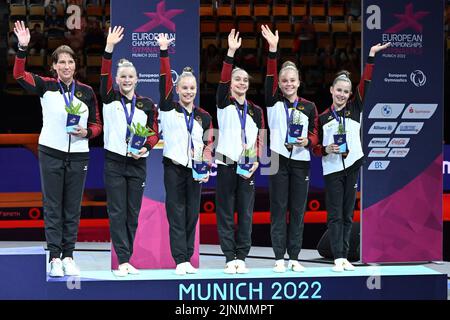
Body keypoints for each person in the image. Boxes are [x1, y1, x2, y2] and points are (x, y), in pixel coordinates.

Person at [13, 20, 102, 277]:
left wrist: (88, 132)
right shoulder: (45, 86)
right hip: (51, 152)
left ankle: (69, 255)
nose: (66, 66)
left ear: (76, 65)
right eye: (61, 62)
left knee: (72, 207)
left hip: (79, 155)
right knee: (53, 205)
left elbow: (97, 125)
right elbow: (19, 75)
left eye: (70, 62)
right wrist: (22, 48)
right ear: (54, 66)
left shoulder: (86, 92)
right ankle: (54, 257)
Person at [312, 42, 390, 272]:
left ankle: (345, 255)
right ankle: (337, 257)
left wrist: (371, 57)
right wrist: (327, 149)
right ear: (331, 90)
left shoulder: (355, 108)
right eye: (339, 90)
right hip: (332, 170)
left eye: (346, 91)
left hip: (353, 165)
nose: (342, 94)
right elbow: (315, 148)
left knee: (348, 214)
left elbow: (366, 82)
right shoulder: (323, 117)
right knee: (335, 215)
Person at [100, 26, 159, 277]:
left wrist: (144, 147)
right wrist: (109, 48)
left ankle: (126, 258)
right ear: (117, 79)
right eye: (122, 76)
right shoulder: (109, 98)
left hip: (137, 163)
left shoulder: (146, 104)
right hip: (114, 162)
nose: (126, 80)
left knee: (133, 213)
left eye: (130, 77)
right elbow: (103, 74)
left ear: (137, 79)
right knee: (117, 211)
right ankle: (122, 260)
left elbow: (154, 132)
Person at [261, 25, 319, 273]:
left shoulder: (309, 106)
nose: (288, 84)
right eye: (284, 81)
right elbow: (270, 78)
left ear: (299, 82)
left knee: (297, 210)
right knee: (278, 208)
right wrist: (273, 50)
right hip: (276, 158)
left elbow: (316, 134)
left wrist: (308, 141)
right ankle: (278, 257)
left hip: (301, 160)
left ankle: (294, 256)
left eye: (292, 80)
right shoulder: (273, 101)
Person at [157, 33, 213, 275]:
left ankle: (188, 257)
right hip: (174, 167)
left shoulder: (204, 116)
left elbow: (208, 144)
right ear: (177, 89)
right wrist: (163, 53)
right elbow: (163, 82)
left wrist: (207, 166)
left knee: (192, 214)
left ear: (196, 89)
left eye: (192, 88)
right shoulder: (169, 108)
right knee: (176, 213)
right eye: (184, 88)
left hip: (196, 170)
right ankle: (180, 259)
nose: (188, 92)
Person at [215, 29, 265, 274]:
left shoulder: (256, 110)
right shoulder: (223, 102)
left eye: (245, 80)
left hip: (248, 167)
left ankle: (242, 257)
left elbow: (260, 138)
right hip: (225, 163)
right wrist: (231, 53)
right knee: (225, 212)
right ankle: (228, 257)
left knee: (245, 213)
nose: (241, 83)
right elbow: (224, 79)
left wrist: (257, 160)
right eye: (237, 80)